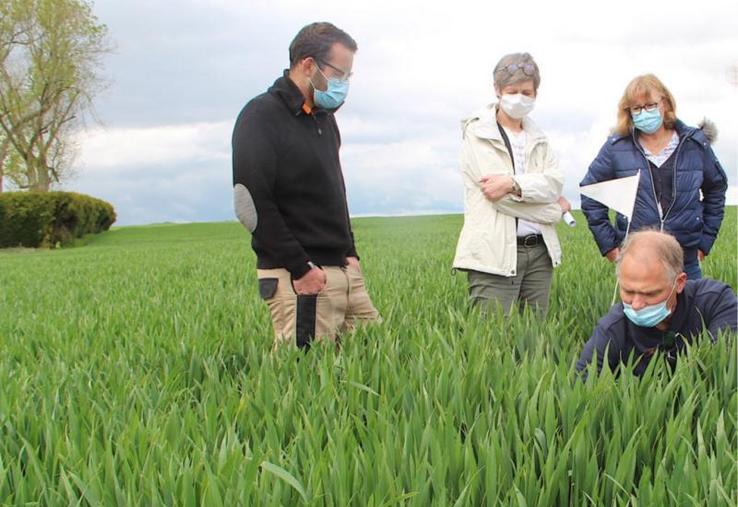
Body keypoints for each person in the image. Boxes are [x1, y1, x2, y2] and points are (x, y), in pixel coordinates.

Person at [231, 22, 379, 349]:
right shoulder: (261, 115)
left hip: (343, 271)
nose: (344, 85)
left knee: (373, 357)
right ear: (308, 64)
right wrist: (301, 268)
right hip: (300, 278)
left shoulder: (323, 119)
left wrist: (350, 253)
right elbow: (249, 204)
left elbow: (334, 194)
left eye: (348, 78)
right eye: (339, 74)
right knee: (305, 381)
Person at [452, 52, 571, 316]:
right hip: (493, 254)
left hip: (540, 251)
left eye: (526, 92)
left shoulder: (538, 137)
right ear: (497, 90)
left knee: (534, 340)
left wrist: (512, 183)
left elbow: (554, 184)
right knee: (491, 344)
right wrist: (554, 211)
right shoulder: (478, 133)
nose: (519, 98)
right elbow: (498, 197)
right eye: (512, 91)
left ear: (536, 93)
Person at [580, 74, 728, 279]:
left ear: (665, 103)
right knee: (639, 309)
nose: (644, 113)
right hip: (638, 259)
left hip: (686, 258)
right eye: (637, 108)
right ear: (628, 112)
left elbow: (716, 189)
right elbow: (590, 193)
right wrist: (609, 246)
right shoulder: (616, 147)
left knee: (690, 311)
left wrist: (705, 240)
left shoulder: (694, 144)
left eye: (650, 105)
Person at [576, 230, 737, 377]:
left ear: (679, 282)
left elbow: (723, 368)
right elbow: (583, 385)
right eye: (629, 292)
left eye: (650, 293)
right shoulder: (612, 328)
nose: (637, 304)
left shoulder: (715, 301)